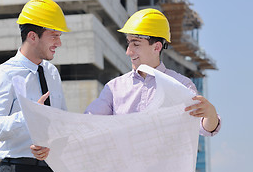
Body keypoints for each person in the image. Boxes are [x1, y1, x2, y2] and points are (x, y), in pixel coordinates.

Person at [85, 8, 221, 136]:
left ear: (156, 47)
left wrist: (211, 114)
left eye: (136, 44)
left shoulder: (181, 85)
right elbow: (88, 124)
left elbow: (203, 127)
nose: (128, 51)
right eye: (128, 43)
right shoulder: (114, 88)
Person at [0, 0, 69, 172]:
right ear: (32, 36)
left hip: (55, 171)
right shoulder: (4, 74)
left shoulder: (52, 73)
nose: (58, 43)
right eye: (54, 35)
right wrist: (28, 116)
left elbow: (60, 121)